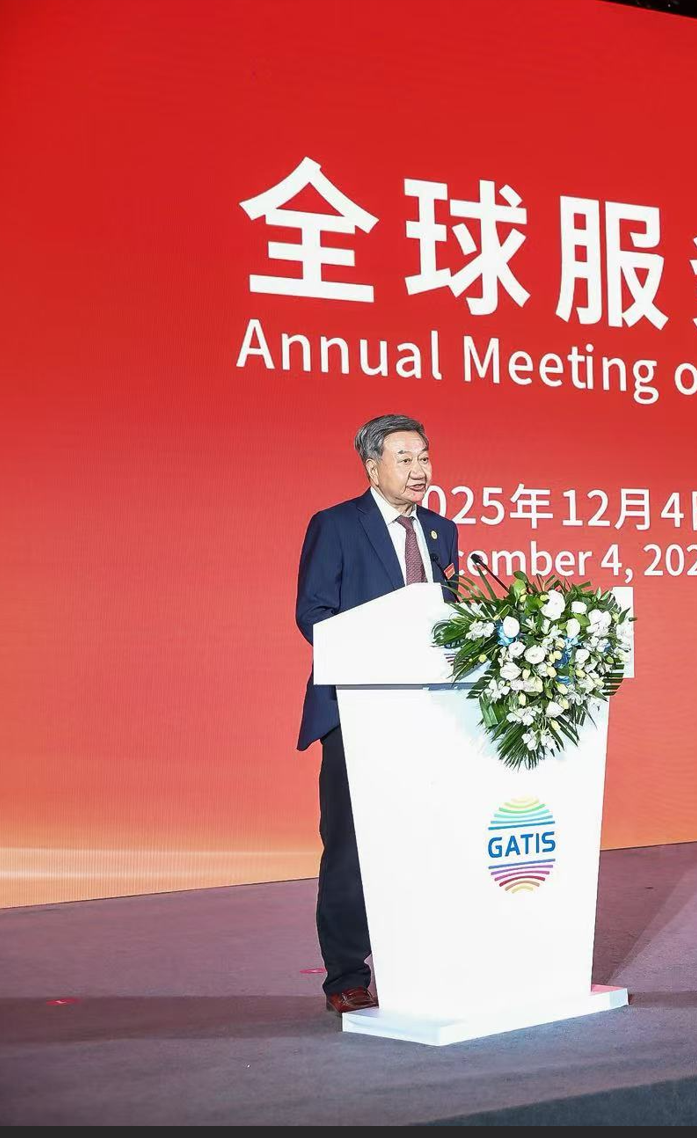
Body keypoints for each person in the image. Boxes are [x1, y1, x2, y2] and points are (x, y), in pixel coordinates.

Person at [295, 414, 459, 1014]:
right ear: (373, 466)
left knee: (425, 839)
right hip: (358, 711)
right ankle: (346, 976)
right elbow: (314, 614)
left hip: (430, 713)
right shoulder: (337, 525)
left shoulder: (441, 531)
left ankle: (416, 960)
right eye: (405, 459)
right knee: (350, 849)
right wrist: (381, 650)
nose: (420, 470)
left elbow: (449, 620)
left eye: (424, 457)